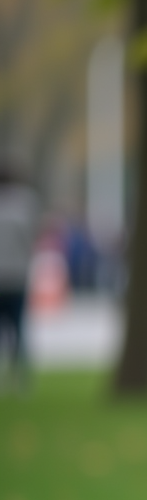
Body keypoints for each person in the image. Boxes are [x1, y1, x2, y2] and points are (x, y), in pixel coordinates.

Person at [0, 164, 37, 394]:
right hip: (17, 275)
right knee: (19, 329)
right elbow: (31, 237)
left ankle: (18, 377)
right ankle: (20, 379)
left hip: (13, 275)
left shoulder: (24, 203)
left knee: (17, 329)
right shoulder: (25, 204)